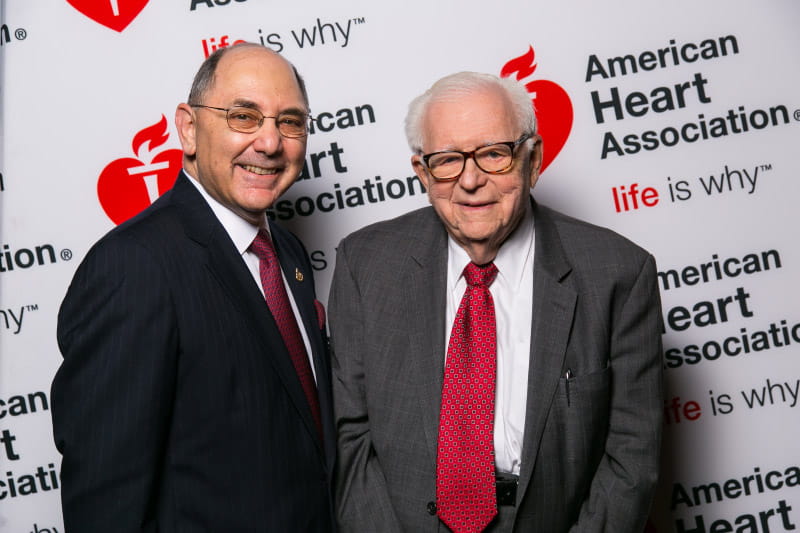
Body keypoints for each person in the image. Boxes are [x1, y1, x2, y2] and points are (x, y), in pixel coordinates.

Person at [329, 71, 663, 532]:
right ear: (422, 173)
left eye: (493, 154)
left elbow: (632, 454)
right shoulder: (364, 264)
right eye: (447, 160)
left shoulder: (619, 273)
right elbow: (350, 437)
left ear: (533, 159)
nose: (470, 180)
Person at [52, 43, 336, 531]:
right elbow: (106, 496)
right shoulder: (134, 265)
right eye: (244, 116)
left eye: (290, 122)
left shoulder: (285, 253)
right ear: (187, 127)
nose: (270, 143)